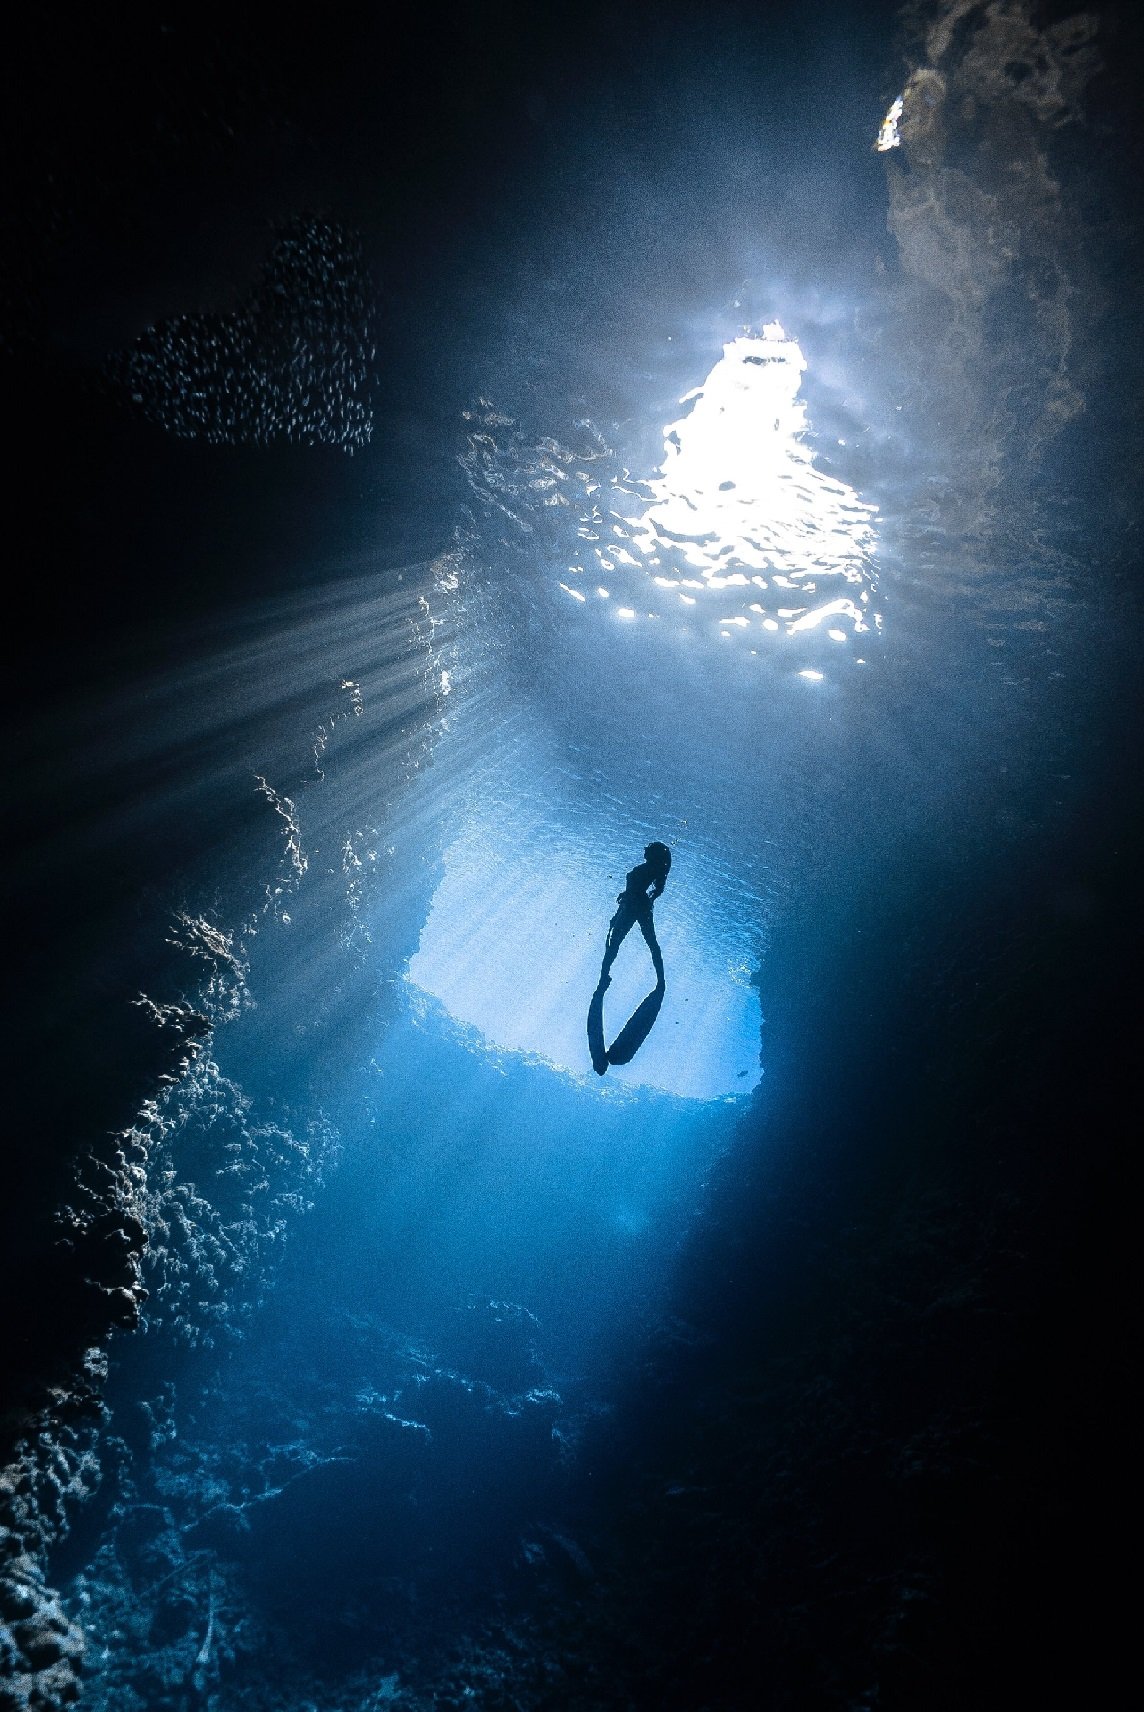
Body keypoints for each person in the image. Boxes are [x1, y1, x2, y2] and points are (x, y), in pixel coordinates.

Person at [598, 841, 671, 989]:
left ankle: (604, 975)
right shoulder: (651, 869)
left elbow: (634, 890)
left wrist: (620, 911)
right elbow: (634, 889)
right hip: (637, 905)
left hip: (633, 906)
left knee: (617, 941)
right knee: (650, 942)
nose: (645, 850)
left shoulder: (649, 869)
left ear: (652, 855)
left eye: (648, 849)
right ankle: (661, 980)